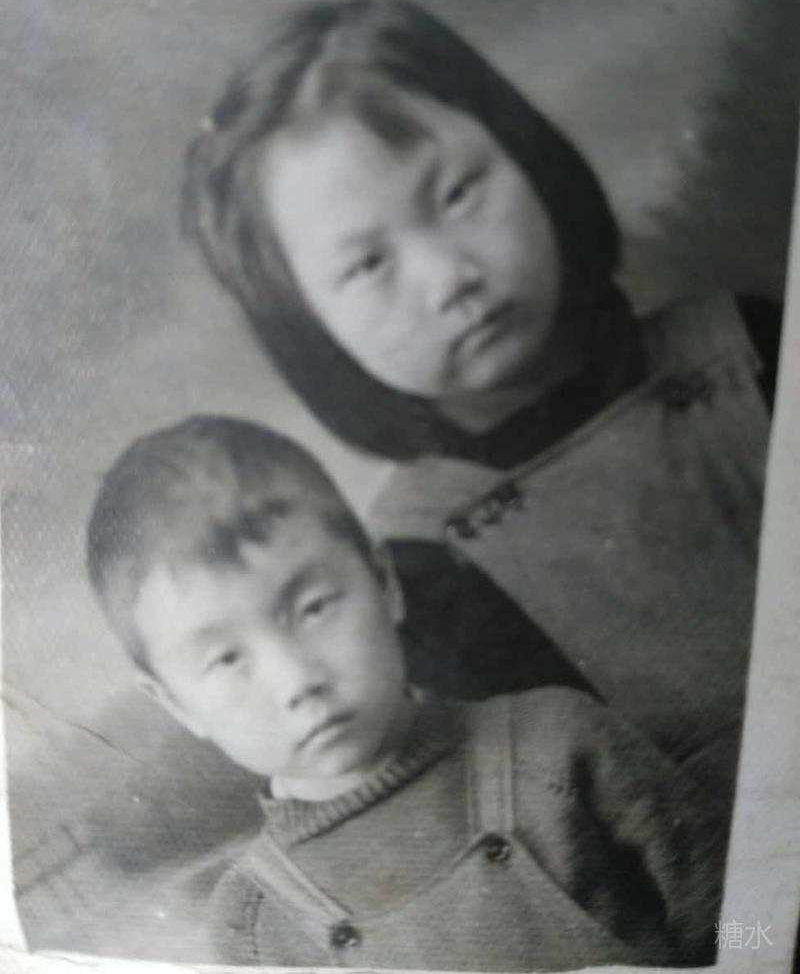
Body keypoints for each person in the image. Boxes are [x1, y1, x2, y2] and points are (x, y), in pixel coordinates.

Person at [181, 0, 770, 808]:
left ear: (529, 159)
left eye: (459, 192)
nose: (450, 275)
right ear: (312, 331)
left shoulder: (750, 348)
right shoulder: (422, 576)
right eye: (368, 265)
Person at [86, 414, 722, 970]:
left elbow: (751, 926)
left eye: (314, 607)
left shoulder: (561, 746)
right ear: (175, 703)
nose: (297, 680)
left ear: (383, 582)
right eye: (227, 659)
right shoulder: (253, 924)